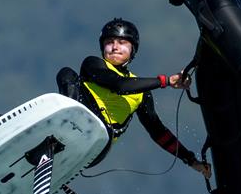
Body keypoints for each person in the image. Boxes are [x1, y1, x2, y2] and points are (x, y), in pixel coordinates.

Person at [56, 17, 211, 178]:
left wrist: (191, 160)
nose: (115, 47)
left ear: (132, 50)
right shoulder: (92, 64)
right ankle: (63, 132)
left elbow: (159, 133)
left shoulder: (141, 93)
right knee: (67, 74)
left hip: (98, 143)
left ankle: (64, 136)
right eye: (110, 42)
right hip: (80, 122)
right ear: (103, 47)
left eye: (122, 42)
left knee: (66, 72)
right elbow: (119, 85)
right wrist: (165, 81)